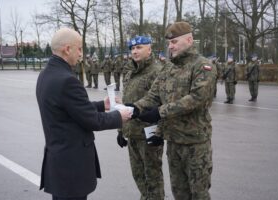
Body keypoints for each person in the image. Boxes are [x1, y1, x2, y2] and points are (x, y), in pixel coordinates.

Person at [36, 27, 132, 200]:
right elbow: (93, 121)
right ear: (67, 49)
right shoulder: (67, 80)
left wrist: (103, 105)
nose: (81, 53)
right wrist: (120, 116)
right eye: (79, 48)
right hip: (72, 165)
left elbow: (72, 110)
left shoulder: (47, 74)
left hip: (59, 161)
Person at [130, 21, 216, 200]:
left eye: (174, 42)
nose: (171, 46)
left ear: (189, 40)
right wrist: (134, 108)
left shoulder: (203, 66)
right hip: (174, 142)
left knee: (199, 194)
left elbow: (196, 99)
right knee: (180, 193)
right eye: (169, 43)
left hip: (195, 143)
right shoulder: (168, 68)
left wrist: (160, 112)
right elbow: (153, 96)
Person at [117, 36, 165, 200]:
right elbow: (126, 101)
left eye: (139, 47)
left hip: (150, 132)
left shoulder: (157, 71)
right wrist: (120, 129)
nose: (135, 51)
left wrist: (160, 131)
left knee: (153, 178)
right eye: (132, 48)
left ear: (149, 49)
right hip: (132, 132)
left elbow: (163, 103)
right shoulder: (130, 71)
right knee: (139, 176)